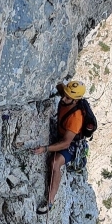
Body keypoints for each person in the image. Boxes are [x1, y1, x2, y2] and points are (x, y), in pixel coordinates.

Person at [34, 80, 87, 214]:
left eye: (67, 97)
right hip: (62, 134)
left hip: (72, 143)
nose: (63, 98)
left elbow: (65, 143)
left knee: (54, 163)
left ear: (75, 100)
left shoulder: (76, 117)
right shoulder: (68, 95)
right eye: (64, 94)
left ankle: (50, 202)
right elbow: (59, 85)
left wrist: (45, 149)